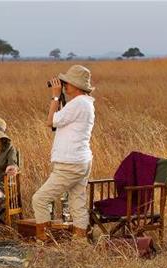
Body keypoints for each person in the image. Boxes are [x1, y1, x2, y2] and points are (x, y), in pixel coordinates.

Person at [32, 65, 95, 241]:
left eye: (67, 82)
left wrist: (55, 96)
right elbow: (60, 121)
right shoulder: (86, 103)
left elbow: (50, 121)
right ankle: (80, 243)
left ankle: (43, 243)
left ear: (76, 85)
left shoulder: (78, 103)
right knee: (77, 202)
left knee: (40, 199)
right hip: (81, 160)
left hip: (70, 163)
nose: (65, 85)